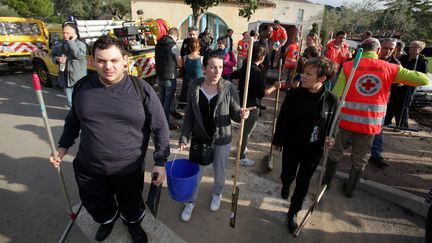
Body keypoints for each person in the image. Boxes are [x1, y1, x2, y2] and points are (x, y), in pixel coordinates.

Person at [49, 36, 170, 242]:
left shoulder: (141, 89)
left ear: (125, 60)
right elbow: (73, 121)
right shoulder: (82, 88)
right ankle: (108, 220)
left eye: (114, 60)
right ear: (93, 61)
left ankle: (132, 223)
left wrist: (160, 162)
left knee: (131, 204)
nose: (108, 67)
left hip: (128, 168)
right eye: (101, 61)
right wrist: (62, 147)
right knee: (97, 204)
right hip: (90, 167)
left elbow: (160, 126)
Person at [322, 38, 430, 198]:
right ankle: (350, 189)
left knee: (335, 152)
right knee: (360, 159)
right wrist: (398, 71)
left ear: (362, 49)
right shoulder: (391, 68)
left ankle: (327, 182)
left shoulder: (349, 66)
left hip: (346, 120)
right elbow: (424, 79)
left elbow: (336, 95)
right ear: (378, 51)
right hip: (370, 124)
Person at [178, 50, 250, 222]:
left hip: (222, 139)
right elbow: (189, 115)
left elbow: (234, 114)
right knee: (196, 174)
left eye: (220, 67)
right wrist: (184, 138)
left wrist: (241, 114)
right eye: (213, 67)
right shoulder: (194, 86)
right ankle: (191, 201)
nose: (217, 71)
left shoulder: (229, 88)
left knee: (219, 172)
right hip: (200, 138)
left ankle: (217, 194)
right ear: (204, 68)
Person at [273, 57, 338, 234]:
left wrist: (330, 137)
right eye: (303, 72)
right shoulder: (294, 95)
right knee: (287, 174)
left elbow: (334, 124)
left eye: (308, 74)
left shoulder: (331, 100)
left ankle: (294, 210)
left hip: (313, 149)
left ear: (322, 79)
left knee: (303, 182)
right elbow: (283, 119)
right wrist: (278, 140)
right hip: (292, 144)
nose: (302, 76)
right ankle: (286, 184)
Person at [237, 45, 281, 166]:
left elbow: (235, 75)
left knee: (244, 129)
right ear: (262, 57)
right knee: (247, 130)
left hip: (243, 100)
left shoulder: (246, 66)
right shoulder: (256, 71)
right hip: (251, 105)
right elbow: (262, 93)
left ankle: (242, 148)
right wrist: (274, 87)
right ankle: (240, 156)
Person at [370, 38, 400, 169]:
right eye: (385, 48)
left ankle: (376, 154)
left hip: (381, 100)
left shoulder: (396, 63)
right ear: (379, 47)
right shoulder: (371, 58)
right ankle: (347, 142)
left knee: (378, 128)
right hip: (363, 97)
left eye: (391, 49)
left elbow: (400, 82)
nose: (387, 51)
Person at [52, 22, 87, 108]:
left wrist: (71, 42)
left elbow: (78, 55)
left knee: (80, 100)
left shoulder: (80, 45)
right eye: (63, 32)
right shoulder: (59, 45)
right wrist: (57, 59)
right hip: (64, 78)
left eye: (67, 33)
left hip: (78, 79)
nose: (64, 35)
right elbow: (53, 55)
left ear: (74, 33)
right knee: (70, 102)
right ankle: (73, 117)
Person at [155, 27, 183, 130]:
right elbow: (180, 63)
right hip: (169, 78)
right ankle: (165, 124)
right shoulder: (173, 46)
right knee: (167, 103)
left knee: (162, 101)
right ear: (175, 36)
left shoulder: (158, 44)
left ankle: (159, 120)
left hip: (160, 76)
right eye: (177, 38)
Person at [397, 40, 429, 128]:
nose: (411, 49)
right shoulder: (403, 58)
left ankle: (402, 124)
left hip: (410, 86)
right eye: (411, 47)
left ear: (420, 49)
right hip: (399, 84)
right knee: (396, 103)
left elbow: (423, 75)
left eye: (414, 47)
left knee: (405, 104)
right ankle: (389, 122)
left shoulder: (422, 61)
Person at [178, 38, 204, 109]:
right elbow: (203, 70)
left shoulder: (185, 57)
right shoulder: (202, 58)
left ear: (189, 47)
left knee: (187, 98)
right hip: (199, 82)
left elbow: (186, 68)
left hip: (187, 81)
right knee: (197, 99)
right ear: (199, 47)